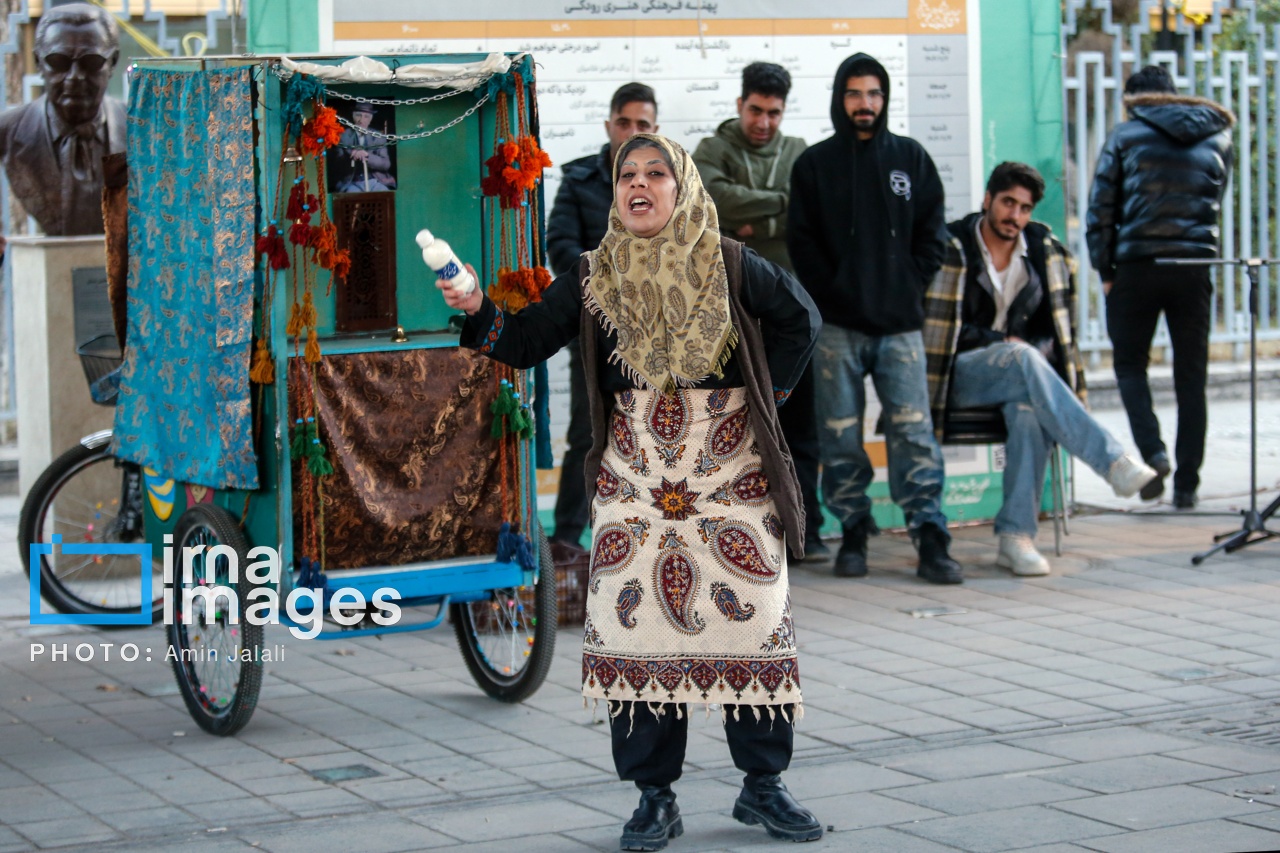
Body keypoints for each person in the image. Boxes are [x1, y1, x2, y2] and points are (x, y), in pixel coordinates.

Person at [441, 134, 824, 849]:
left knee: (755, 621)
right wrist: (474, 307)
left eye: (656, 173)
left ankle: (763, 784)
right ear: (615, 193)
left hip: (729, 478)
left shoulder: (730, 262)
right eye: (627, 176)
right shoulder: (592, 275)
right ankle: (654, 796)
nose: (639, 184)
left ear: (682, 188)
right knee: (636, 632)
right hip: (637, 485)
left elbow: (802, 317)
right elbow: (523, 341)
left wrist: (768, 396)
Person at [924, 162, 1158, 576]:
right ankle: (1113, 463)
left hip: (1021, 377)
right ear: (987, 201)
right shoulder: (952, 246)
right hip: (959, 376)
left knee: (1028, 411)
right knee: (1021, 357)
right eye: (1008, 203)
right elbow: (941, 332)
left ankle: (1016, 537)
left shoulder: (1042, 254)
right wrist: (1002, 343)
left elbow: (1054, 334)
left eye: (1025, 208)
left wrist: (1025, 349)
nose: (1015, 216)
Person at [787, 52, 962, 584]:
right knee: (840, 437)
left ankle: (930, 536)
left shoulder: (911, 158)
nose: (866, 104)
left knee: (913, 435)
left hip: (901, 327)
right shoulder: (814, 165)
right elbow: (802, 243)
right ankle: (855, 531)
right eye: (855, 94)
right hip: (838, 328)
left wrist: (907, 282)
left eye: (874, 94)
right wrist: (836, 289)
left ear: (885, 99)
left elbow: (934, 234)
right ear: (840, 99)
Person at [693, 61, 828, 560]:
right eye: (755, 110)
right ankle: (732, 534)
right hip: (732, 315)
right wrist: (779, 206)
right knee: (731, 423)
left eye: (774, 113)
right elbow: (713, 200)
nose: (764, 122)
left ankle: (804, 535)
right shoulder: (712, 150)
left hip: (792, 316)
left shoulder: (799, 153)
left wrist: (749, 218)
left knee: (802, 430)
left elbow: (809, 212)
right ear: (739, 104)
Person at [1086, 65, 1234, 510]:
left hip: (1137, 266)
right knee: (1192, 376)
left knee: (1131, 367)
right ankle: (1188, 484)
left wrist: (1105, 269)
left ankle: (1154, 454)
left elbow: (1101, 208)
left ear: (1134, 99)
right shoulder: (1219, 136)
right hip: (1193, 268)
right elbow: (1214, 199)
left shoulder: (1124, 136)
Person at [544, 82, 658, 555]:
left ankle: (650, 539)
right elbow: (561, 247)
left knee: (654, 432)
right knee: (587, 435)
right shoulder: (580, 181)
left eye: (643, 125)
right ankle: (568, 541)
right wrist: (613, 280)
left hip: (657, 335)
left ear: (655, 130)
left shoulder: (668, 180)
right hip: (595, 332)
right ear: (609, 125)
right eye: (625, 123)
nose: (633, 132)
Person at [0, 2, 125, 235]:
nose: (75, 77)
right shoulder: (7, 131)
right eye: (58, 62)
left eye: (90, 62)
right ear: (38, 63)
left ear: (112, 63)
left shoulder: (141, 128)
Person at [333, 100, 395, 192]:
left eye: (366, 116)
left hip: (376, 181)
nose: (361, 120)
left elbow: (386, 164)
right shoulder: (342, 136)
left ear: (370, 119)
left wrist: (367, 156)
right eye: (358, 115)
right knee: (351, 198)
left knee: (384, 195)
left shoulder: (378, 136)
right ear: (353, 116)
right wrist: (351, 155)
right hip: (351, 182)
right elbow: (337, 165)